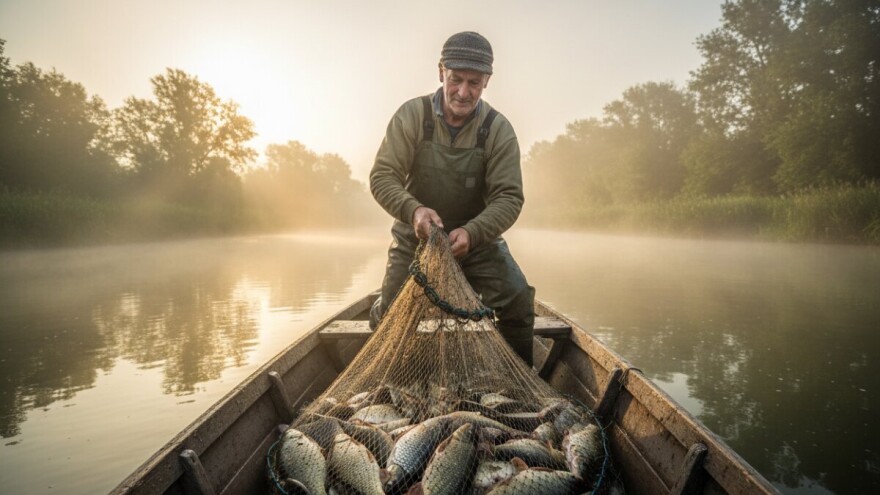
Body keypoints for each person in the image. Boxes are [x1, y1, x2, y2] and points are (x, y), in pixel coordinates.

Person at [368, 31, 536, 366]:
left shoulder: (498, 129)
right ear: (441, 72)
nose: (463, 92)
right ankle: (380, 330)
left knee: (518, 299)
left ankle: (522, 382)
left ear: (486, 81)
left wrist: (473, 233)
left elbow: (508, 197)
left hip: (477, 241)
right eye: (456, 79)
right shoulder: (411, 116)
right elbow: (382, 177)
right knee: (389, 313)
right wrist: (414, 211)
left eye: (474, 83)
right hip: (416, 238)